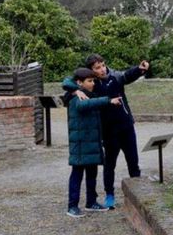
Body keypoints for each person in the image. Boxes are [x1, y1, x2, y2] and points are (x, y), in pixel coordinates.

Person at [63, 54, 148, 209]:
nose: (102, 69)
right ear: (90, 71)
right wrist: (76, 91)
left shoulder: (114, 76)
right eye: (97, 68)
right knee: (110, 165)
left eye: (103, 65)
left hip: (126, 126)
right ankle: (109, 194)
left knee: (133, 162)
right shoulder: (91, 85)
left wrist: (139, 69)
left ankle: (139, 195)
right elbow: (68, 83)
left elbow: (127, 75)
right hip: (108, 131)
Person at [63, 67, 122, 218]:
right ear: (79, 82)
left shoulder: (88, 94)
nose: (93, 83)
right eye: (89, 81)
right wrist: (108, 101)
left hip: (91, 144)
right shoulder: (76, 97)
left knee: (92, 174)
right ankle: (72, 206)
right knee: (77, 175)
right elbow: (85, 105)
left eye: (93, 80)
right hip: (81, 145)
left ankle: (91, 202)